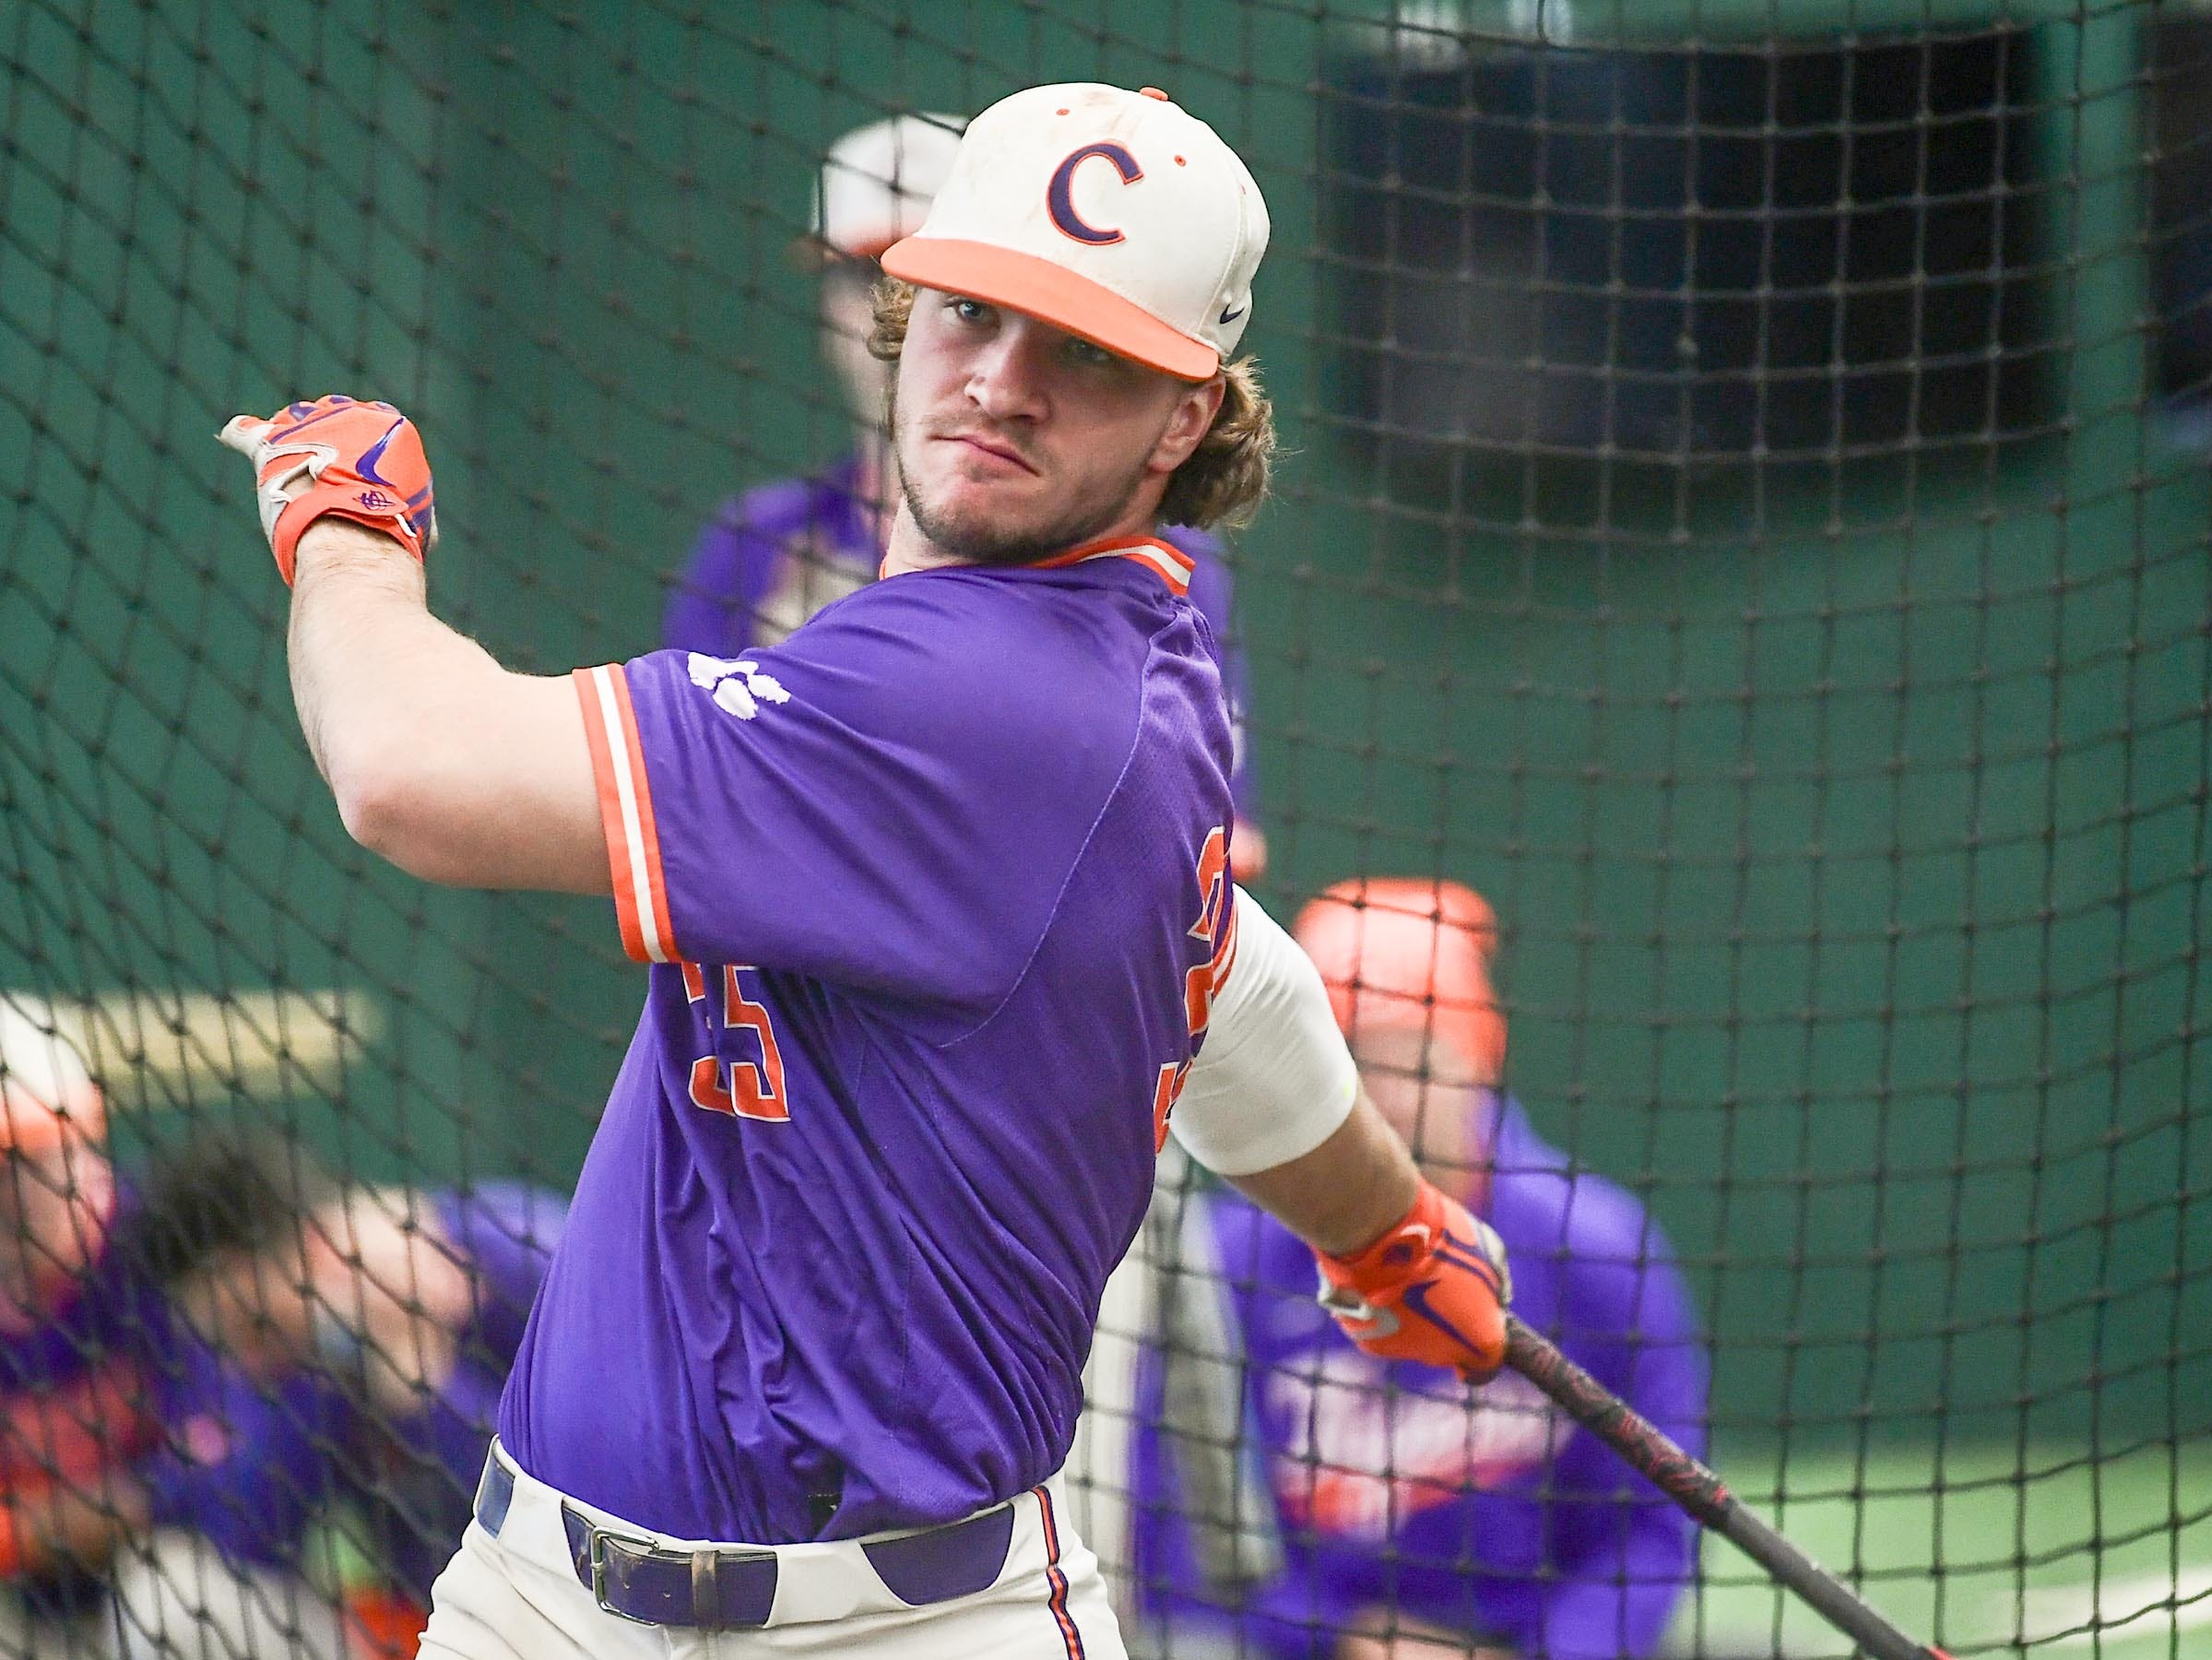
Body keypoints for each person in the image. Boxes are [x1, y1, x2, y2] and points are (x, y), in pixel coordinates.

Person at [216, 80, 1516, 1660]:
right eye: (974, 311)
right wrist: (1378, 1227)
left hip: (899, 1627)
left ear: (1185, 417)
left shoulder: (999, 697)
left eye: (1088, 352)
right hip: (538, 1597)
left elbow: (408, 776)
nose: (1003, 384)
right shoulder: (1089, 663)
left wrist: (346, 523)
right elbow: (1222, 976)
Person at [665, 110, 1270, 879]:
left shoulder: (1155, 569)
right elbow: (676, 819)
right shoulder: (758, 538)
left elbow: (1216, 849)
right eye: (871, 278)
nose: (994, 375)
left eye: (958, 288)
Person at [1130, 880, 1708, 1660]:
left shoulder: (1599, 1254)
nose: (1390, 1100)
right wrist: (1347, 1642)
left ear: (1482, 1057)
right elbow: (1173, 1530)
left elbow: (1651, 1531)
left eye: (1419, 1060)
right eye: (1353, 1062)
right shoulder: (1230, 1266)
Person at [0, 994, 347, 1660]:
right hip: (32, 1620)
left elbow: (227, 1481)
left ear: (79, 1141)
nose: (8, 1193)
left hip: (232, 1603)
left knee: (165, 1596)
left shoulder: (158, 1250)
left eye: (23, 1161)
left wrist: (39, 1527)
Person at [162, 1146, 567, 1656]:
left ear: (315, 1246)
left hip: (582, 1615)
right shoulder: (306, 1361)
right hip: (423, 1629)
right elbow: (252, 1538)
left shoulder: (516, 1248)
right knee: (177, 1589)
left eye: (248, 1329)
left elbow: (548, 1516)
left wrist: (426, 1384)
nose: (245, 1362)